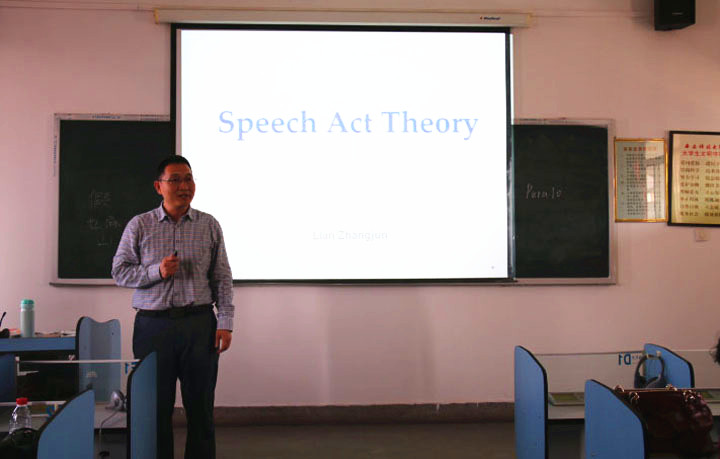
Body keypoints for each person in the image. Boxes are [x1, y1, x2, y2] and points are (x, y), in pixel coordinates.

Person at [112, 155, 234, 459]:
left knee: (200, 407)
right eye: (175, 179)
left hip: (199, 325)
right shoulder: (140, 225)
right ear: (159, 186)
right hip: (153, 328)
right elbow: (120, 272)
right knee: (154, 409)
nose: (184, 186)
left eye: (188, 179)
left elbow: (222, 276)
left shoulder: (208, 224)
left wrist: (225, 321)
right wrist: (157, 271)